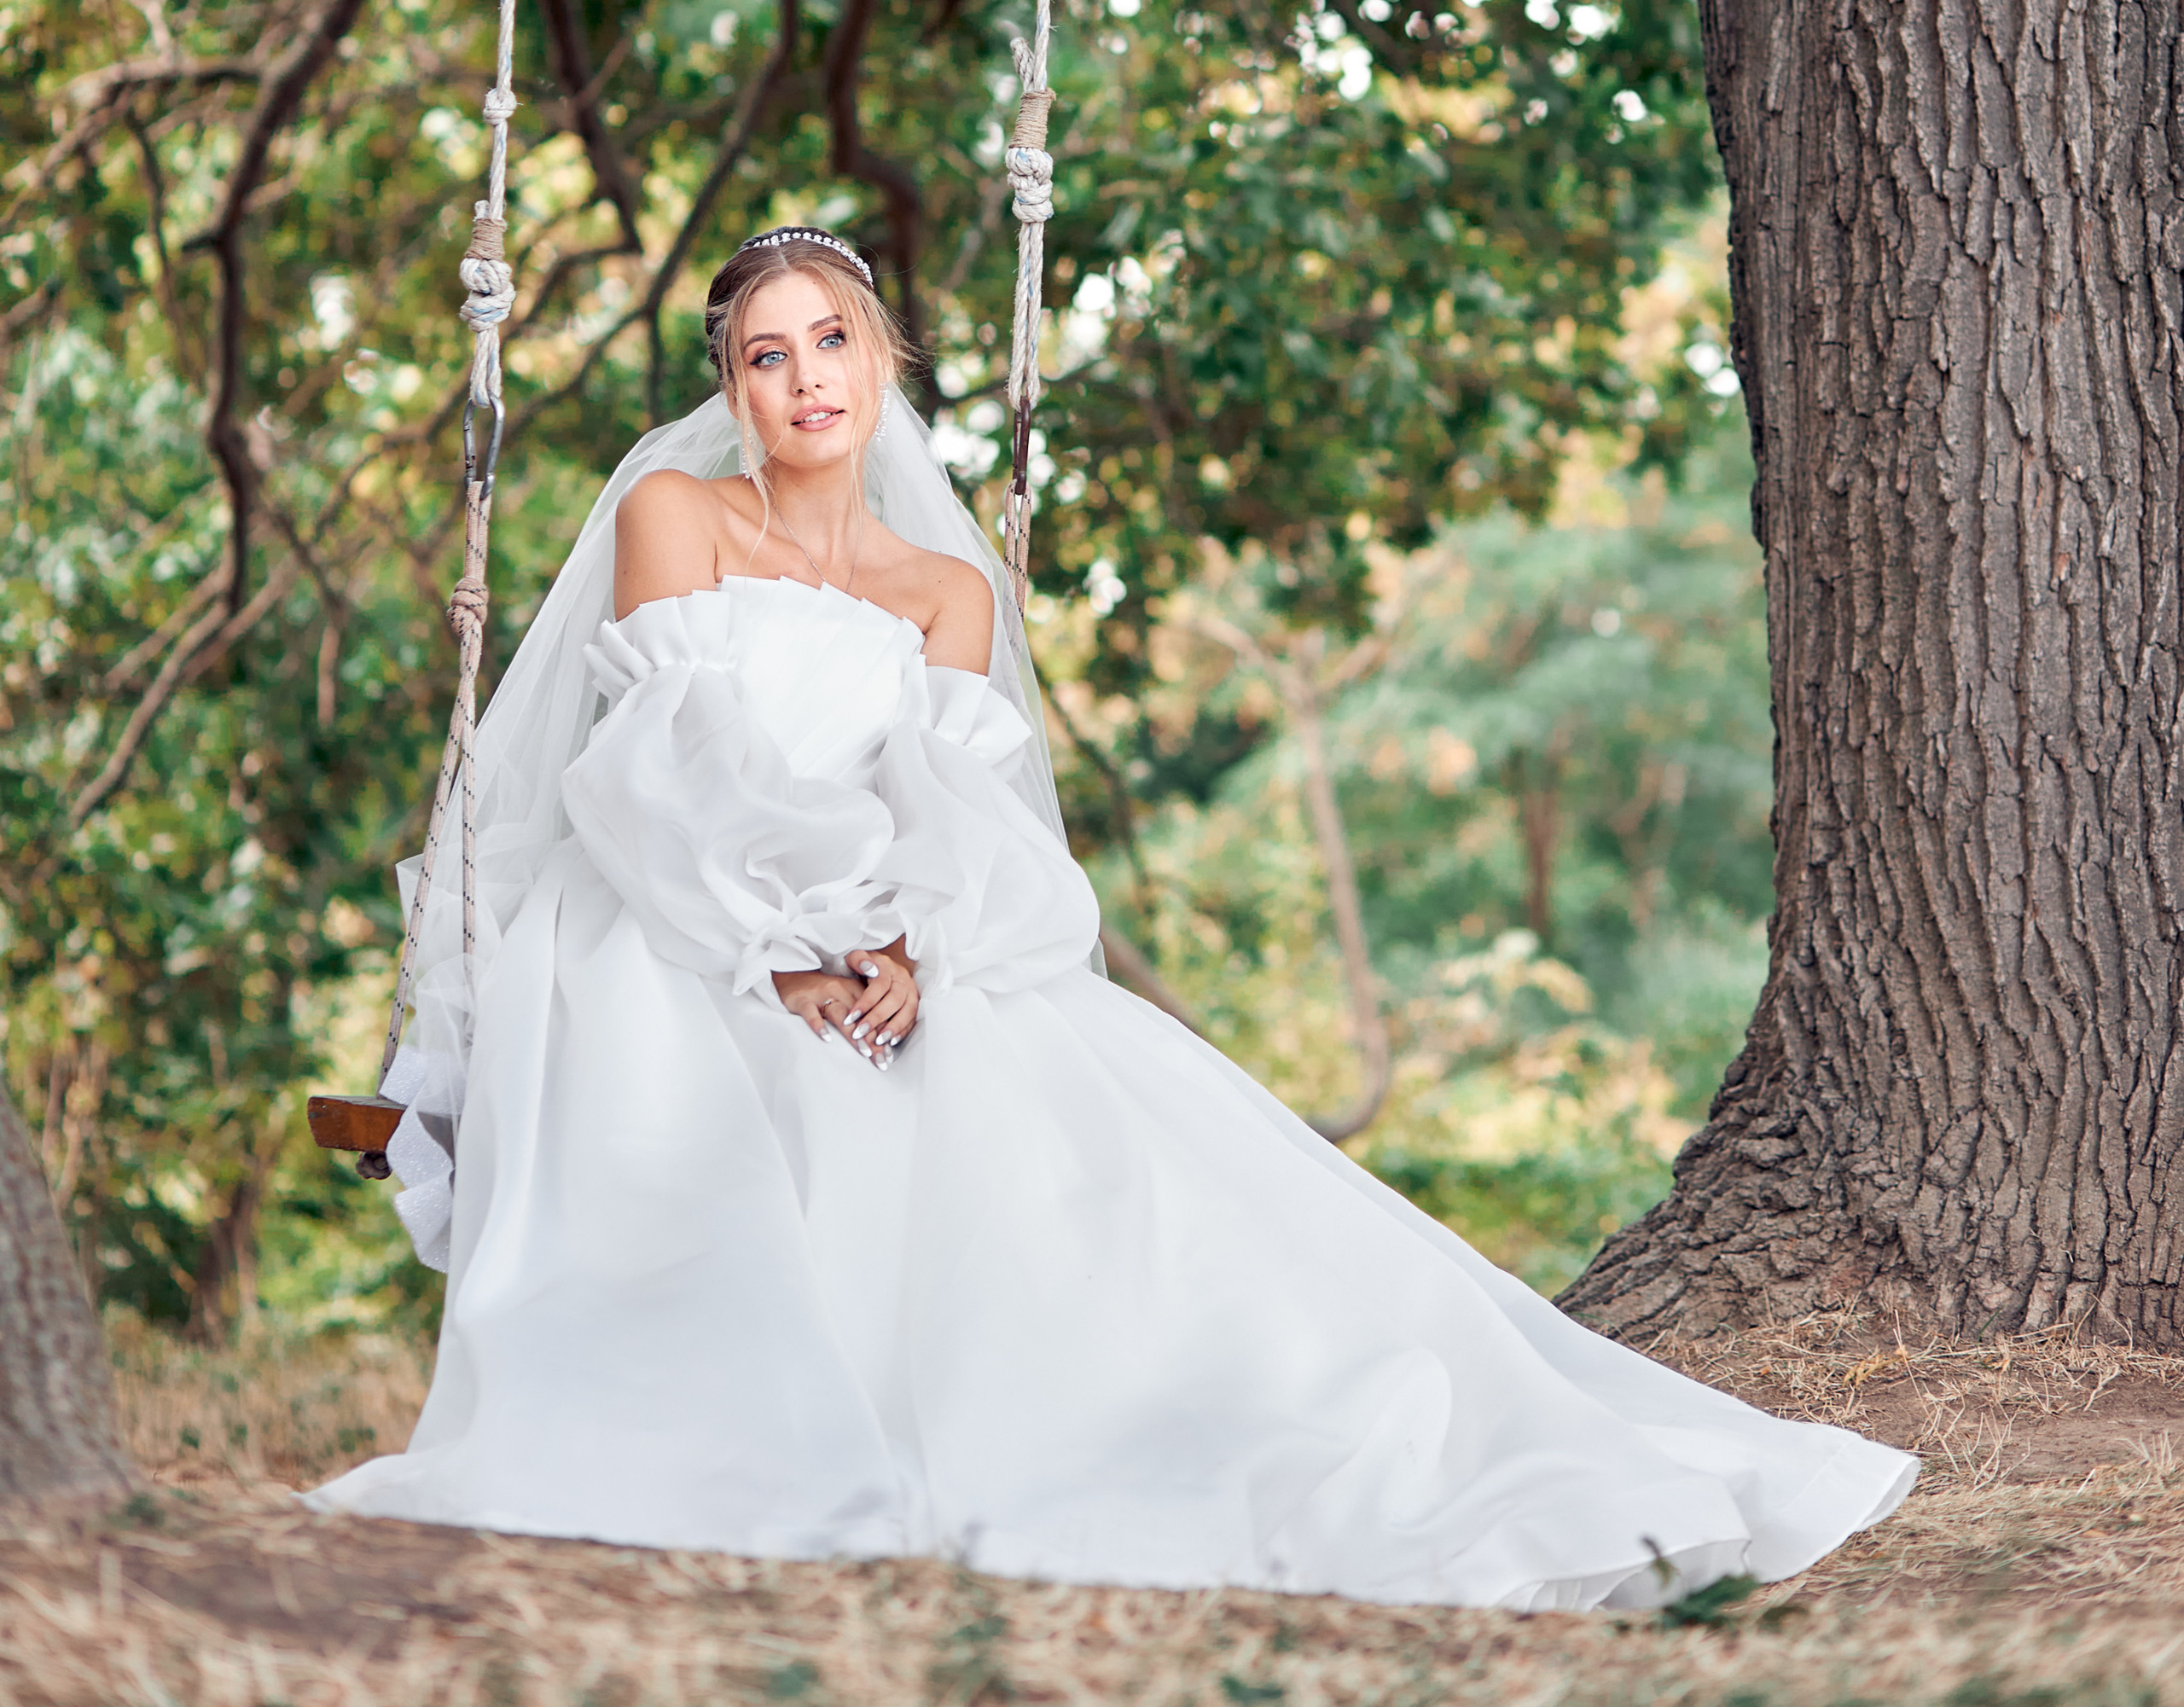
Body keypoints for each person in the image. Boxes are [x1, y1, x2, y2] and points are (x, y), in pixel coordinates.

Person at [310, 225, 1915, 1605]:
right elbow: (660, 776)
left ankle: (1243, 1400)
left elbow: (951, 810)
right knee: (745, 1071)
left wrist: (909, 946)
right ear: (729, 391)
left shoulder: (948, 589)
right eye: (764, 355)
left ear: (882, 359)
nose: (805, 377)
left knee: (1073, 1086)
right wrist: (771, 952)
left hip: (864, 919)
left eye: (835, 340)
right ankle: (773, 1417)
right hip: (669, 910)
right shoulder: (679, 518)